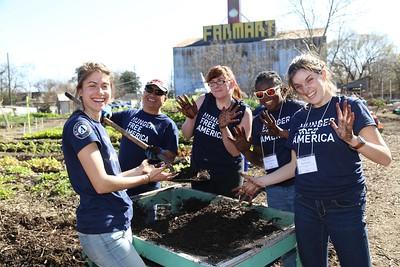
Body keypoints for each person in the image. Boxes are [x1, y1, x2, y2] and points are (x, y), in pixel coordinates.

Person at [236, 53, 392, 267]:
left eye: (310, 79)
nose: (306, 89)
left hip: (344, 204)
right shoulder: (300, 117)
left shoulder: (349, 106)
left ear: (324, 74)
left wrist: (353, 140)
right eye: (298, 86)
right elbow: (294, 166)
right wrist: (260, 181)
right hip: (306, 205)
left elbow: (385, 158)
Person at [62, 62, 173, 267]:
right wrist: (147, 178)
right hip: (102, 229)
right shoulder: (81, 127)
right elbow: (102, 184)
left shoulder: (96, 124)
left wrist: (139, 170)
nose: (100, 91)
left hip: (117, 223)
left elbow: (112, 176)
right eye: (92, 85)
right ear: (80, 90)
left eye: (105, 86)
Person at [229, 70, 303, 267]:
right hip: (275, 188)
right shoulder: (258, 117)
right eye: (259, 95)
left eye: (270, 91)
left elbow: (309, 146)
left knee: (307, 236)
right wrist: (245, 149)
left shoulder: (299, 110)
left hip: (301, 185)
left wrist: (281, 133)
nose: (265, 98)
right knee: (283, 236)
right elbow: (261, 160)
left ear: (282, 89)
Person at [177, 65, 252, 198]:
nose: (216, 86)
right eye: (211, 83)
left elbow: (235, 152)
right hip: (201, 173)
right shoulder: (203, 101)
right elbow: (187, 135)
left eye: (221, 81)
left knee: (224, 213)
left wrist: (223, 128)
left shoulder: (243, 112)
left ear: (232, 83)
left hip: (227, 175)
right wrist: (191, 118)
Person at [106, 79, 179, 197]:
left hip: (147, 185)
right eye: (149, 90)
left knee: (145, 214)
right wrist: (105, 109)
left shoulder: (168, 125)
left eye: (158, 92)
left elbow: (170, 157)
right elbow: (105, 118)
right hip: (123, 180)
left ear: (165, 99)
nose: (152, 95)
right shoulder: (129, 114)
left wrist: (160, 152)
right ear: (143, 93)